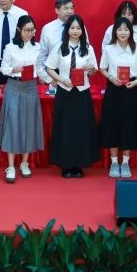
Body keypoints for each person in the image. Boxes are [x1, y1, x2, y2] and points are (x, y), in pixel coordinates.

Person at [44, 15, 99, 178]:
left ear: (82, 30)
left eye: (78, 28)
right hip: (65, 92)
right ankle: (66, 165)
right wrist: (61, 80)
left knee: (81, 129)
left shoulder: (88, 48)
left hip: (82, 93)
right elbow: (49, 68)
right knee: (65, 129)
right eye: (72, 28)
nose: (75, 31)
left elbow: (93, 71)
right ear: (67, 29)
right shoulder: (60, 47)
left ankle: (79, 165)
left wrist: (90, 69)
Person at [98, 17, 137, 178]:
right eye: (120, 29)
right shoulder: (109, 49)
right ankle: (114, 162)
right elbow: (102, 68)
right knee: (112, 125)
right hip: (114, 89)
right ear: (115, 32)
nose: (123, 32)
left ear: (130, 32)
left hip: (130, 89)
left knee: (128, 125)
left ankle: (125, 163)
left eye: (126, 29)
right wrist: (110, 78)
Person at [0, 14, 44, 182]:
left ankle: (25, 163)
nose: (29, 33)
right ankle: (10, 166)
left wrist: (52, 79)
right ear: (18, 29)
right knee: (12, 124)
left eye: (32, 30)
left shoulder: (37, 47)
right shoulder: (10, 47)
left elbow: (39, 68)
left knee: (29, 124)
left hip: (31, 87)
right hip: (14, 86)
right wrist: (13, 70)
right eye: (26, 30)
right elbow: (3, 68)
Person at [37, 0, 76, 68]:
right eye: (66, 8)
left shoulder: (79, 27)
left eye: (71, 8)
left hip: (75, 71)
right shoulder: (48, 29)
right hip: (53, 71)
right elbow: (42, 55)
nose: (70, 11)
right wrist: (46, 73)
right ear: (57, 10)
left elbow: (86, 48)